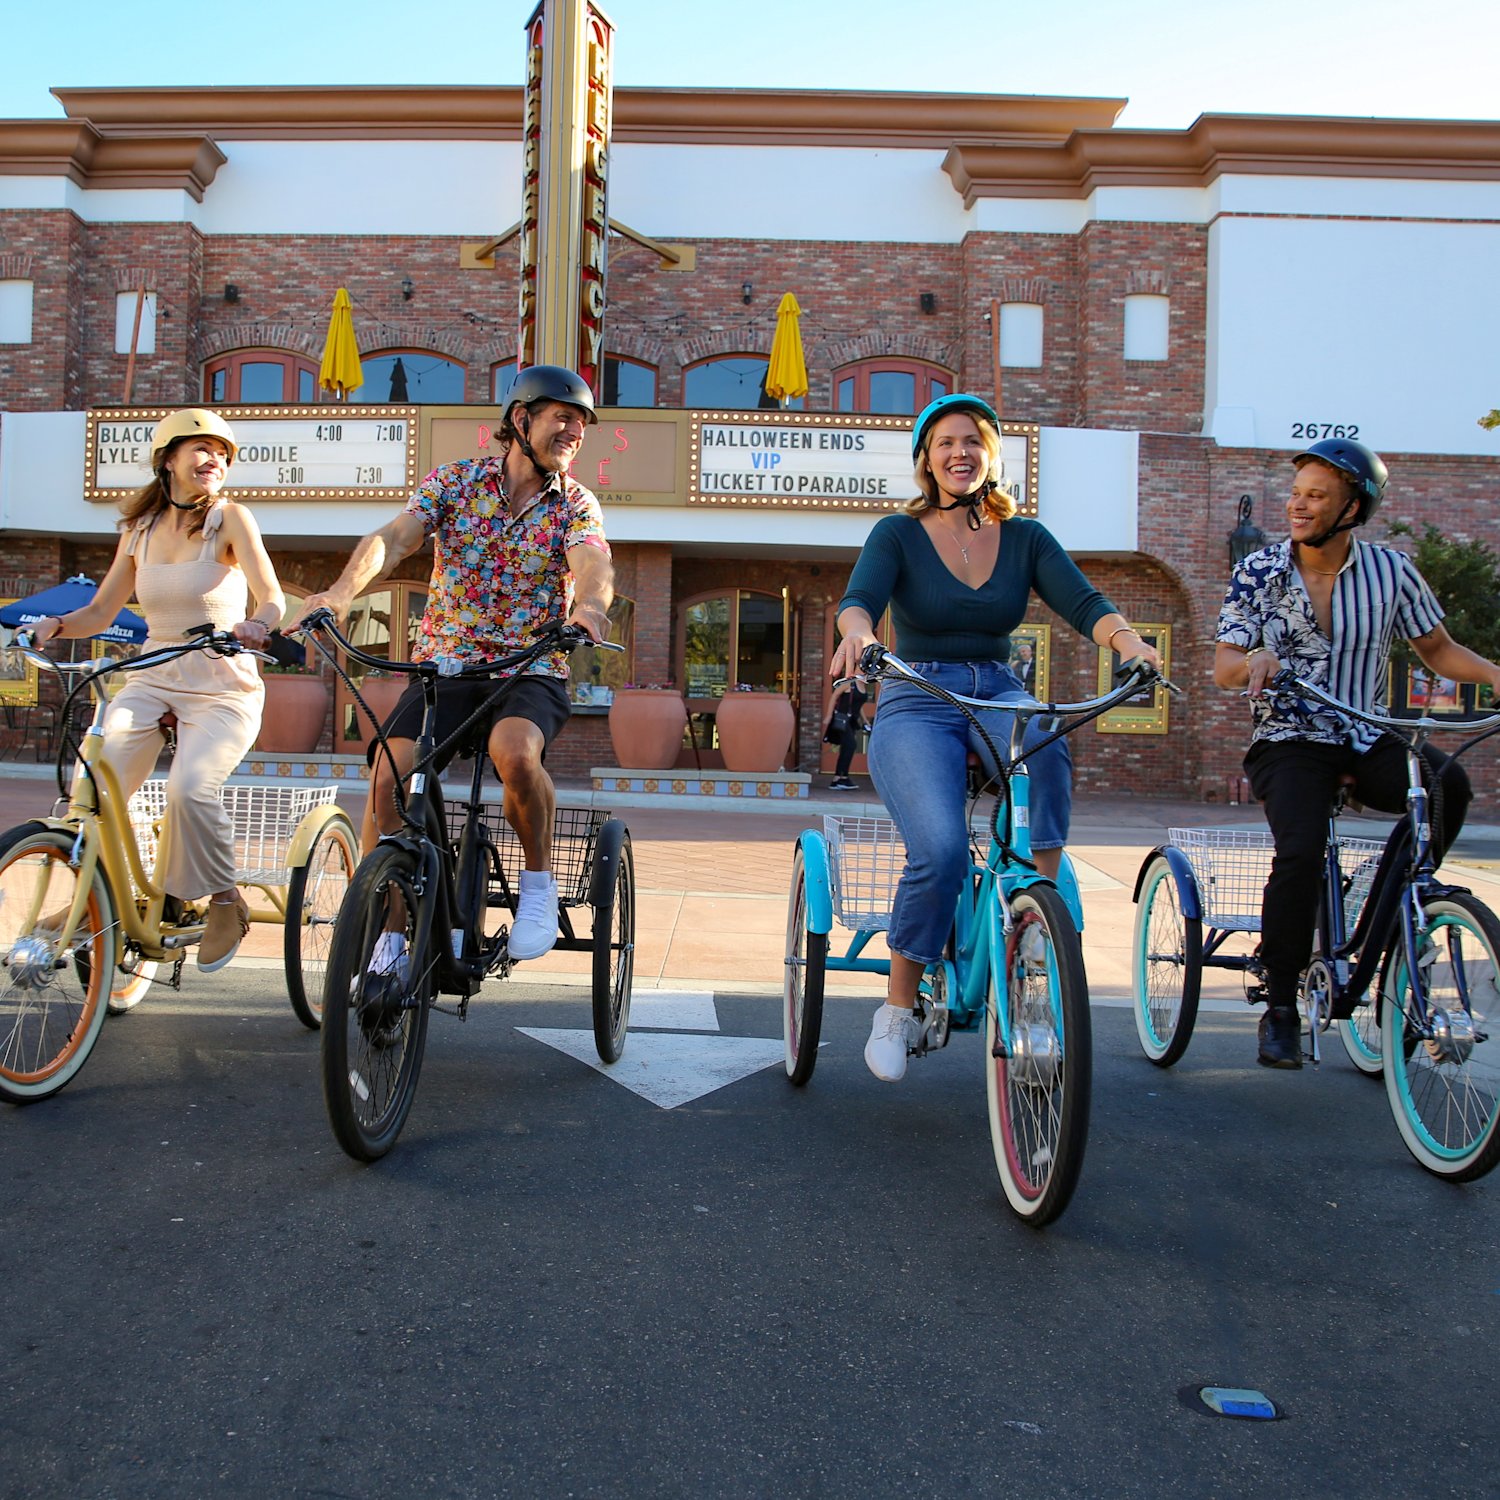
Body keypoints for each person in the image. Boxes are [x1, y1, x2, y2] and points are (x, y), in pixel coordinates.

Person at [831, 393, 1160, 1082]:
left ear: (992, 456)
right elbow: (859, 600)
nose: (960, 452)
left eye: (973, 441)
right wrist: (858, 634)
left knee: (1045, 727)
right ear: (926, 458)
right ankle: (897, 1006)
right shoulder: (897, 532)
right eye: (946, 442)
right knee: (943, 849)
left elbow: (1085, 604)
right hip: (917, 696)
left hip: (997, 689)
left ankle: (1039, 915)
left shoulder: (1027, 538)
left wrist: (1130, 644)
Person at [292, 365, 613, 962]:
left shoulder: (575, 503)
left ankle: (538, 887)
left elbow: (592, 564)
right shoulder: (454, 484)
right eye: (562, 418)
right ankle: (387, 935)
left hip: (531, 665)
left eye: (581, 424)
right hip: (446, 666)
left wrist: (591, 608)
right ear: (520, 420)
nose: (575, 431)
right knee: (389, 777)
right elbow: (394, 539)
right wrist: (339, 593)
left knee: (515, 754)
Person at [1215, 437, 1500, 1068]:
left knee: (1446, 787)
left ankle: (1392, 921)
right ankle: (1281, 1005)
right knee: (1301, 849)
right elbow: (1223, 666)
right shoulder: (1259, 572)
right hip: (1288, 738)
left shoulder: (1391, 572)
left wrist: (1497, 675)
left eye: (1316, 496)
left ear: (1353, 507)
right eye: (1296, 493)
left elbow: (1439, 650)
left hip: (1365, 733)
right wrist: (1254, 659)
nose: (1298, 505)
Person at [29, 408, 285, 971]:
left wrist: (256, 624)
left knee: (190, 789)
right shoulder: (137, 531)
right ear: (168, 459)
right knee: (92, 788)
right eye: (200, 448)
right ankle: (91, 902)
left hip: (221, 683)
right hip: (153, 676)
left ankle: (223, 898)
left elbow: (271, 596)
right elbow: (100, 611)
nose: (214, 459)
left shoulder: (231, 519)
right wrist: (55, 625)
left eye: (222, 451)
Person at [821, 678, 867, 790]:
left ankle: (840, 778)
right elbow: (834, 696)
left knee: (847, 748)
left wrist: (866, 721)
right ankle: (840, 778)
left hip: (851, 721)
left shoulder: (864, 685)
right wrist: (829, 715)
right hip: (841, 719)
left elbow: (858, 706)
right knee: (851, 745)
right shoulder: (849, 684)